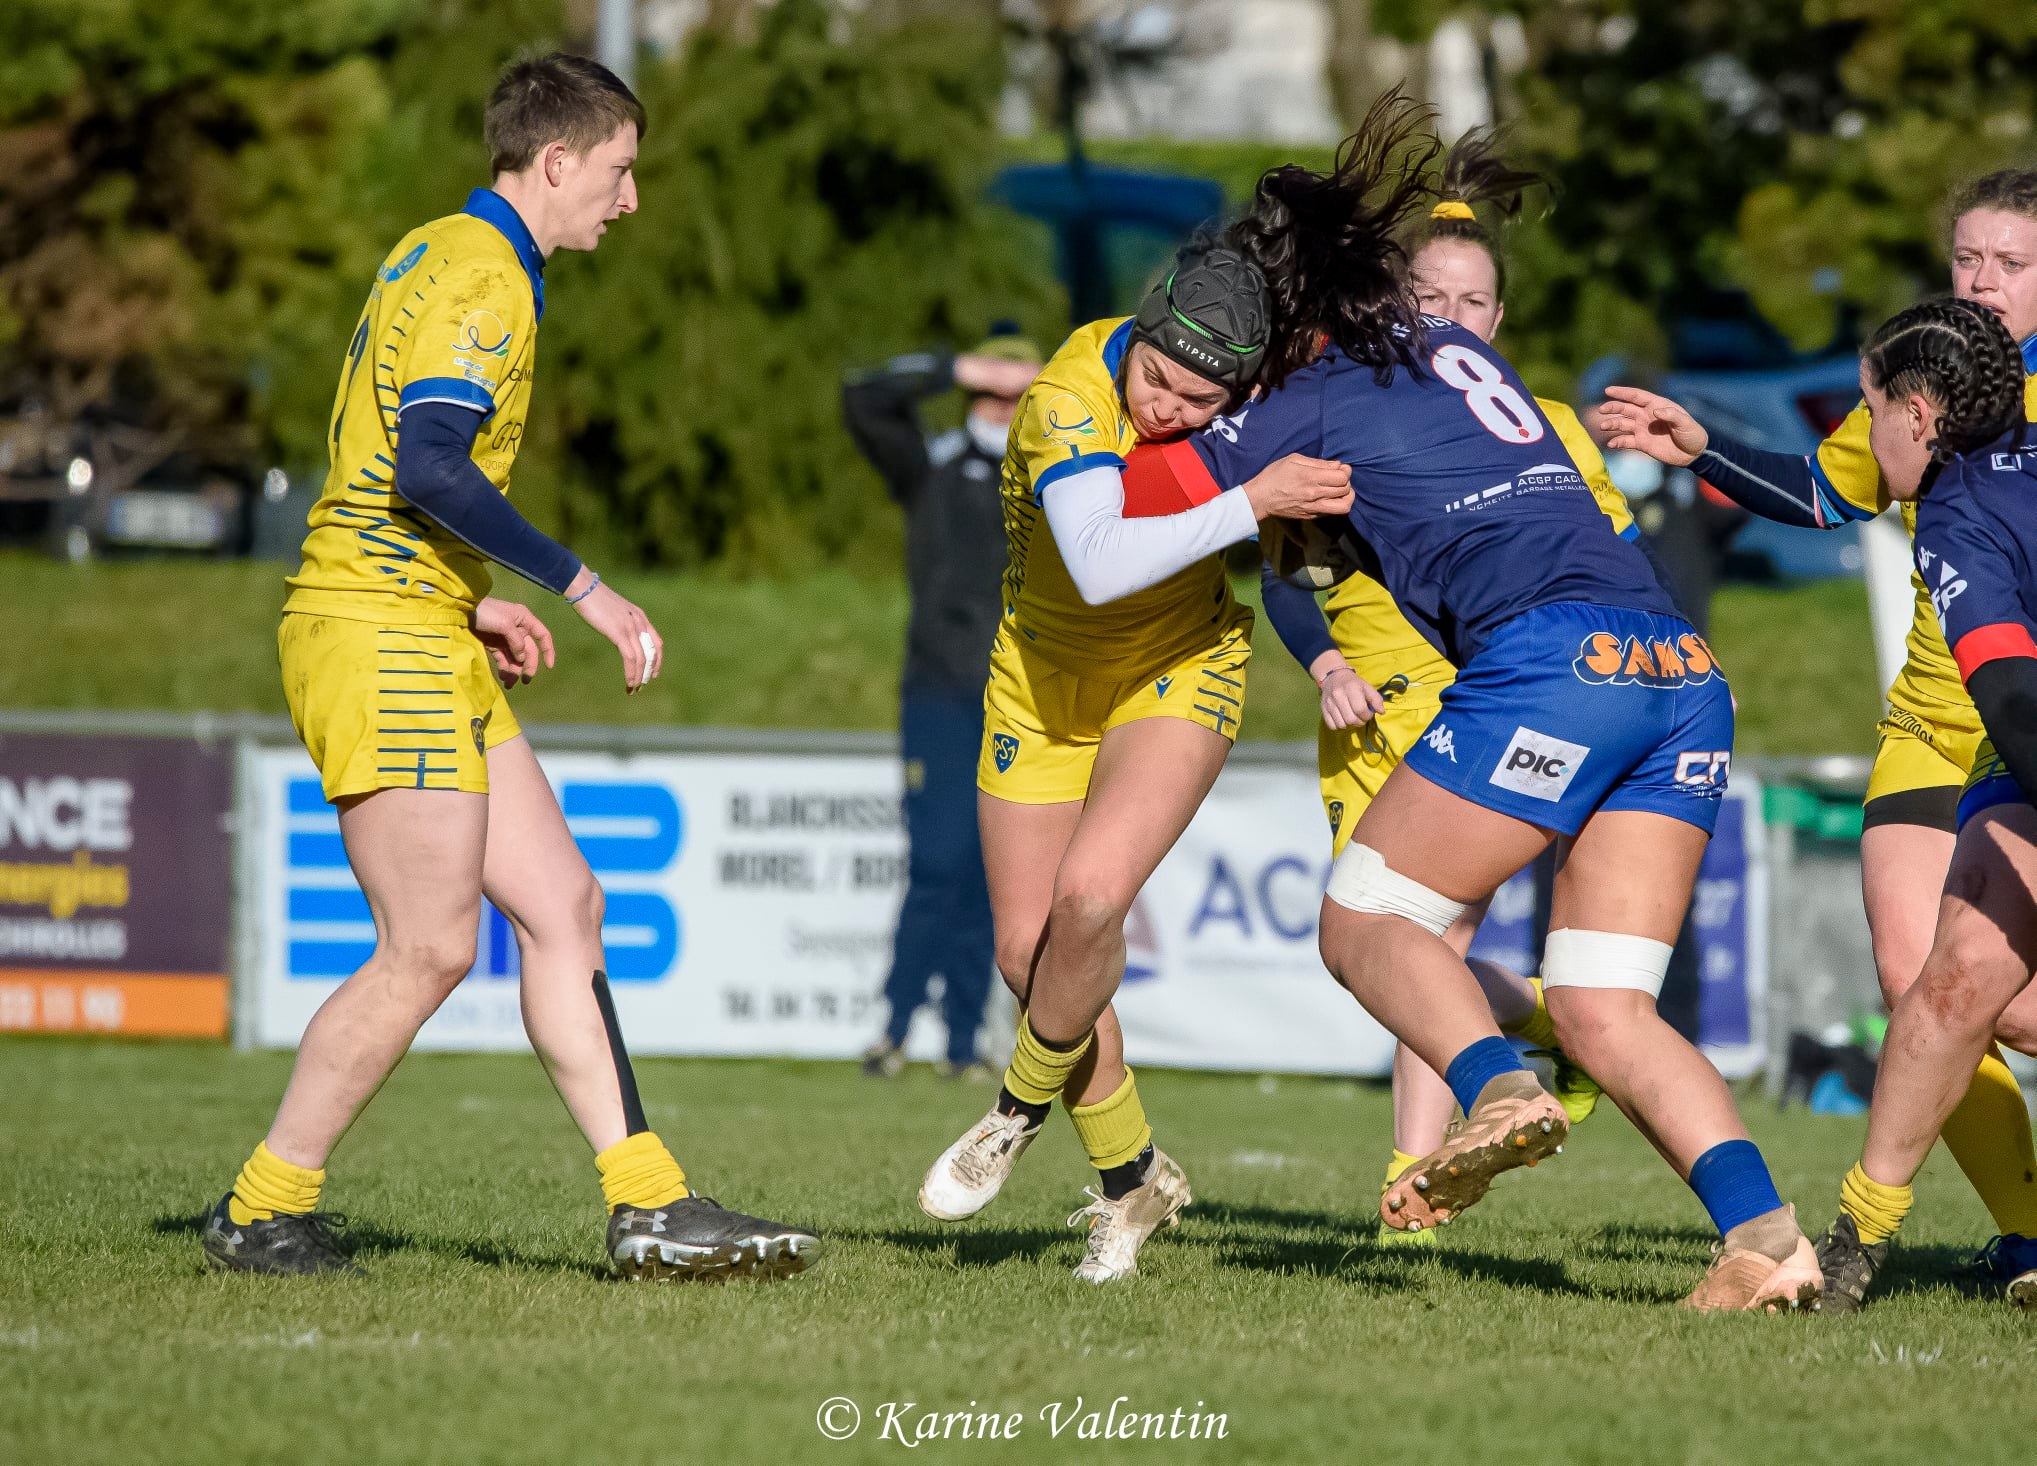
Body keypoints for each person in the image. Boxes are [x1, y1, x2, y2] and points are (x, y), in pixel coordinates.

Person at [1124, 93, 1820, 1310]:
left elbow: (1139, 505)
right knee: (1604, 1005)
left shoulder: (1308, 397)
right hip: (1681, 673)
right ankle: (1766, 1240)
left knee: (1363, 913)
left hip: (1557, 661)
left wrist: (1139, 411)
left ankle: (1496, 1087)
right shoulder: (1463, 352)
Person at [200, 54, 818, 1282]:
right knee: (427, 946)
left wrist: (466, 604)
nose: (630, 199)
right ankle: (262, 1205)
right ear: (556, 161)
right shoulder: (487, 276)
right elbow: (429, 462)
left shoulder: (442, 247)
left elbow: (391, 464)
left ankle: (648, 1201)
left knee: (565, 902)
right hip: (375, 627)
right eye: (621, 169)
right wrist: (580, 587)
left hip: (414, 614)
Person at [1598, 169, 2037, 1297]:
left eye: (2012, 264)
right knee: (1921, 980)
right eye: (1969, 259)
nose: (1983, 282)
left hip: (2021, 714)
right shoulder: (1926, 374)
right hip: (1945, 730)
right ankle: (2028, 1231)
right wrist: (1701, 447)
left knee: (1996, 992)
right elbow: (1831, 491)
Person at [913, 243, 1353, 1283]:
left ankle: (1012, 1113)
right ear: (1140, 331)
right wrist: (1255, 500)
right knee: (1031, 955)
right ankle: (1133, 1179)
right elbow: (1102, 566)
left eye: (1203, 402)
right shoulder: (1067, 396)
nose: (1168, 409)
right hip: (1040, 677)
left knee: (1092, 899)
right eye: (1156, 379)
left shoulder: (1243, 398)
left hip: (1179, 663)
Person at [1250, 130, 1613, 1243]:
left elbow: (1604, 577)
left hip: (1490, 698)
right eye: (1432, 294)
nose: (1455, 315)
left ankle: (1415, 1171)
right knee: (1397, 949)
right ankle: (1554, 1032)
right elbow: (1283, 570)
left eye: (1474, 299)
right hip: (1365, 710)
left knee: (1419, 940)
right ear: (1395, 302)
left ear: (1498, 321)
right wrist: (1321, 658)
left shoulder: (1542, 431)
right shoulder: (1355, 405)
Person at [1798, 298, 2036, 1311]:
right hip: (2011, 753)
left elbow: (2010, 685)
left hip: (2017, 731)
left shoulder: (1956, 508)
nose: (1867, 433)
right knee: (1965, 982)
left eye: (1872, 407)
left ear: (1923, 414)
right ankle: (1858, 1239)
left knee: (1961, 983)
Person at [843, 328, 1043, 1080]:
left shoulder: (1051, 471)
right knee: (936, 859)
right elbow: (862, 397)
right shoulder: (931, 466)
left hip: (1021, 698)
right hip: (938, 691)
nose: (1000, 404)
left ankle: (964, 1040)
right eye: (988, 388)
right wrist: (953, 364)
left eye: (1016, 392)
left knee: (993, 872)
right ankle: (893, 1025)